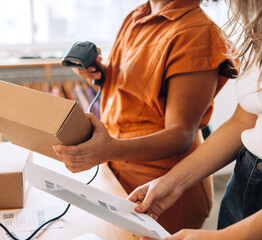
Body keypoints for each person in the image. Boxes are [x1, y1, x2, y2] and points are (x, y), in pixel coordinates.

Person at [53, 0, 239, 234]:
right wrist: (102, 74)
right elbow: (138, 84)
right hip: (120, 172)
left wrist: (110, 149)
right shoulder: (137, 16)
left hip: (164, 188)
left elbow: (180, 134)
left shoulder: (197, 32)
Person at [127, 0, 262, 239]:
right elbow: (244, 121)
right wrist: (172, 183)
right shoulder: (257, 28)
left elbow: (179, 132)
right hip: (245, 177)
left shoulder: (195, 30)